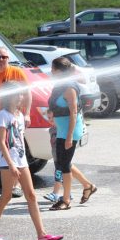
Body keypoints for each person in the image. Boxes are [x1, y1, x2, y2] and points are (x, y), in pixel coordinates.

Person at [0, 84, 63, 240]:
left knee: (31, 196)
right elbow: (1, 142)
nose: (20, 98)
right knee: (6, 196)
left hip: (21, 160)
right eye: (17, 95)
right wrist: (11, 164)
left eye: (21, 95)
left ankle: (42, 235)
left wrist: (19, 161)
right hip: (8, 162)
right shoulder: (3, 115)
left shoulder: (19, 115)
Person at [47, 57, 97, 211]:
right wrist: (50, 113)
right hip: (61, 129)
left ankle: (66, 200)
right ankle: (88, 186)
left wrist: (69, 136)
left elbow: (73, 113)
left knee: (64, 166)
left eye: (53, 69)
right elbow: (54, 104)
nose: (51, 71)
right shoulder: (59, 86)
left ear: (60, 71)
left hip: (70, 130)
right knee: (63, 163)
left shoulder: (70, 88)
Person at [0, 46, 30, 199]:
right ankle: (9, 184)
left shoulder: (17, 72)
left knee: (16, 148)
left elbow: (28, 94)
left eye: (3, 57)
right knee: (3, 149)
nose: (1, 60)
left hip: (15, 119)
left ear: (8, 58)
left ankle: (17, 185)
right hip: (1, 119)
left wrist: (27, 114)